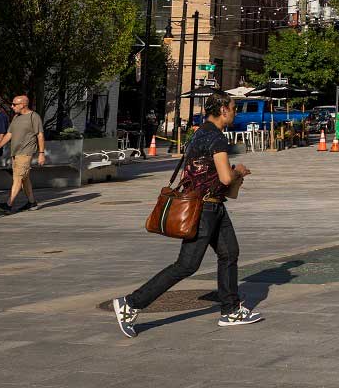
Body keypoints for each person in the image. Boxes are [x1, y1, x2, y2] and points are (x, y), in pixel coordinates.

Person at [112, 91, 262, 337]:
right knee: (186, 265)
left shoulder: (199, 133)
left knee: (229, 253)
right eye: (234, 108)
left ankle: (231, 309)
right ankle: (130, 303)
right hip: (204, 208)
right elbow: (225, 177)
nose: (235, 112)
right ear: (223, 109)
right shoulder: (216, 138)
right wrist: (239, 171)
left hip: (213, 205)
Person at [0, 95, 45, 214]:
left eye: (14, 104)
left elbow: (40, 135)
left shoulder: (34, 116)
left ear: (23, 105)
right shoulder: (16, 117)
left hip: (25, 153)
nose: (12, 106)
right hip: (15, 154)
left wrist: (41, 153)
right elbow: (9, 134)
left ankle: (8, 205)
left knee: (17, 178)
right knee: (24, 179)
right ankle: (32, 202)